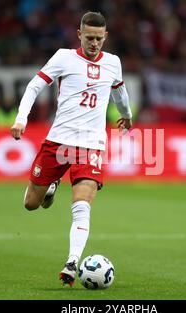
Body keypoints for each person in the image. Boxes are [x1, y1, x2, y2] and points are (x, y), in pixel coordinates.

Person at [10, 11, 132, 286]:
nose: (94, 43)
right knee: (31, 203)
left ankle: (72, 262)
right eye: (89, 37)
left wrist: (127, 114)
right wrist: (21, 119)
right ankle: (51, 185)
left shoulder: (113, 63)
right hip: (58, 140)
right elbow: (34, 86)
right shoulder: (64, 57)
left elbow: (120, 92)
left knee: (82, 204)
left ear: (106, 37)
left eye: (99, 38)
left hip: (91, 144)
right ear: (79, 35)